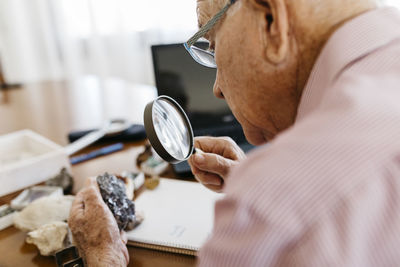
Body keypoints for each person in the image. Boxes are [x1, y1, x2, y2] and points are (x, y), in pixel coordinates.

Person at [69, 0, 400, 265]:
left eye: (211, 45)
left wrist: (104, 256)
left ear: (271, 19)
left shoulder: (276, 206)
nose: (216, 89)